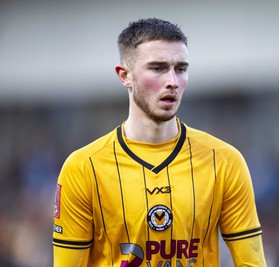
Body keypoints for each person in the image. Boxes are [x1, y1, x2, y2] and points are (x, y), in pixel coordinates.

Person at [52, 18, 267, 267]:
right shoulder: (82, 169)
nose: (173, 81)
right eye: (158, 68)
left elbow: (251, 262)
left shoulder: (225, 161)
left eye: (181, 69)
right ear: (125, 76)